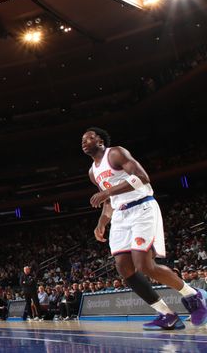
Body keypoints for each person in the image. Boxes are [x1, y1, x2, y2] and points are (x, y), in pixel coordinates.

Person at [83, 127, 207, 330]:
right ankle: (167, 314)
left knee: (144, 265)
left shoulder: (115, 153)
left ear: (100, 141)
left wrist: (107, 193)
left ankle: (194, 296)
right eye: (82, 139)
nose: (84, 141)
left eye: (89, 137)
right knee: (124, 267)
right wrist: (102, 223)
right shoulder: (92, 172)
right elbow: (109, 201)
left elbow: (141, 177)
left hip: (141, 207)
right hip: (121, 216)